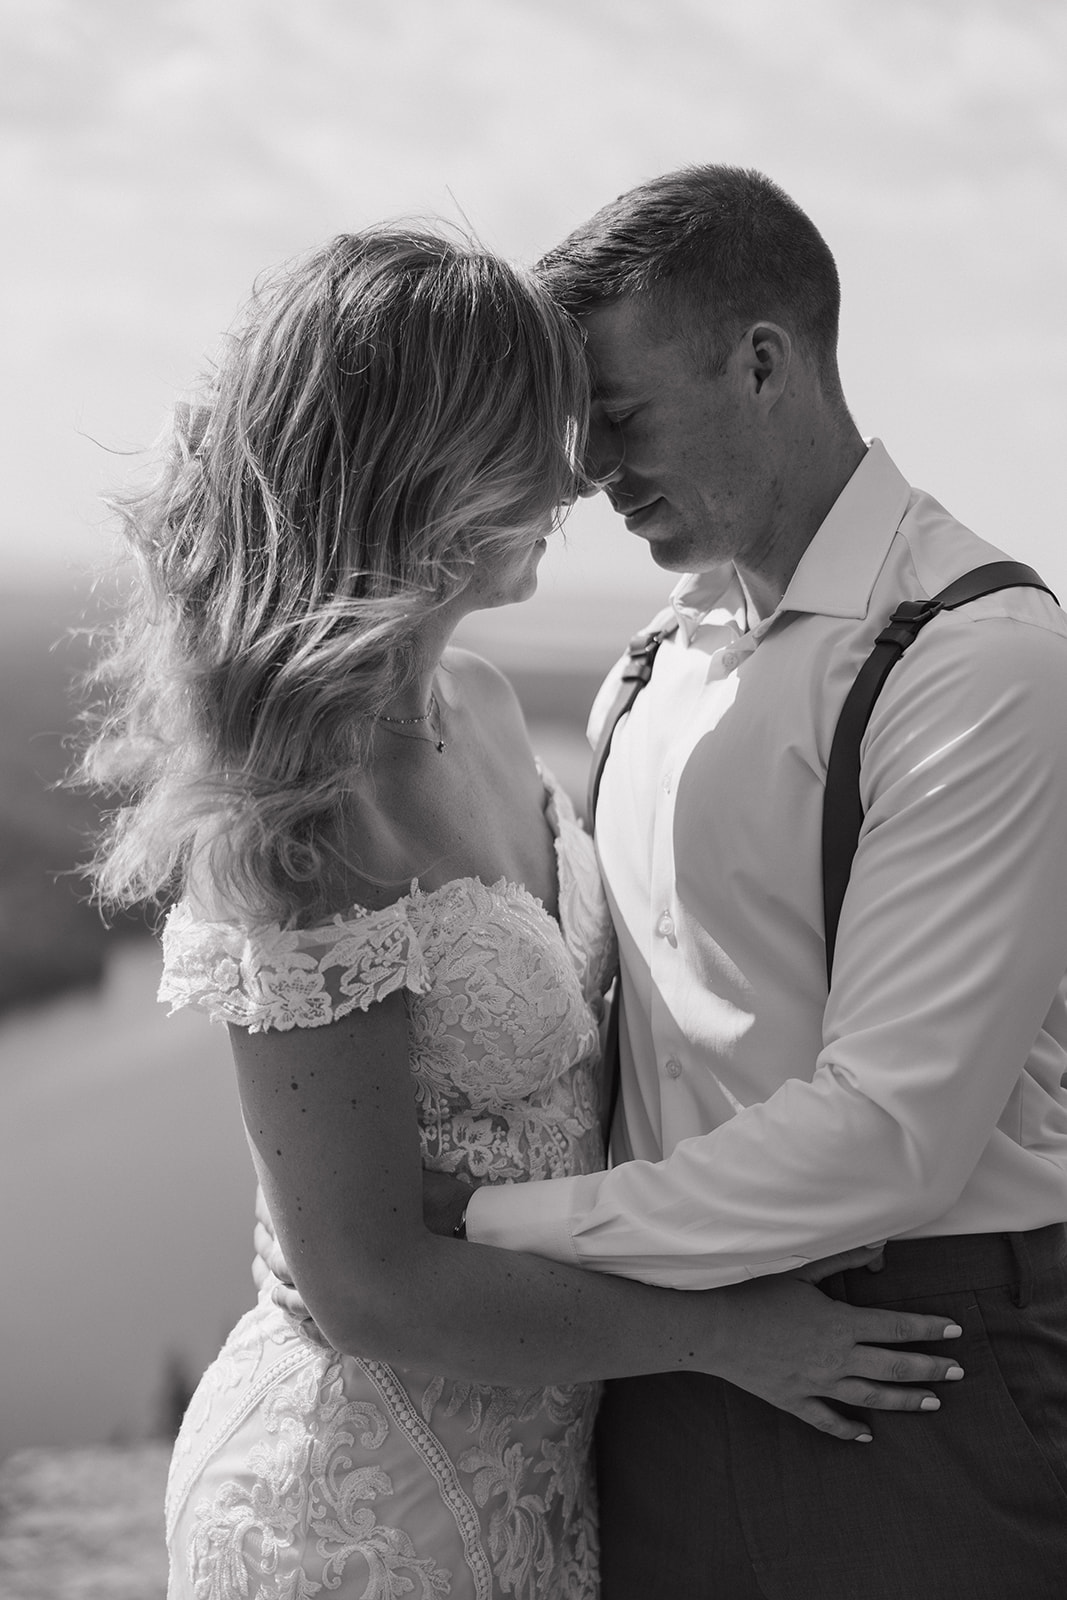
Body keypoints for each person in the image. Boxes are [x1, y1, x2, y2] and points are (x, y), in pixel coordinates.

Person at [80, 225, 964, 1600]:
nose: (581, 472)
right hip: (360, 1508)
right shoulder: (300, 808)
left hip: (545, 1470)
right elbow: (369, 1286)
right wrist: (732, 1336)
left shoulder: (485, 709)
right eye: (540, 429)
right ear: (421, 459)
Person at [420, 166, 1067, 1596]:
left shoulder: (979, 660)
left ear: (764, 359)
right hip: (651, 1366)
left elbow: (892, 1132)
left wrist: (493, 1234)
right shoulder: (656, 662)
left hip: (907, 1369)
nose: (593, 474)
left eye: (624, 418)